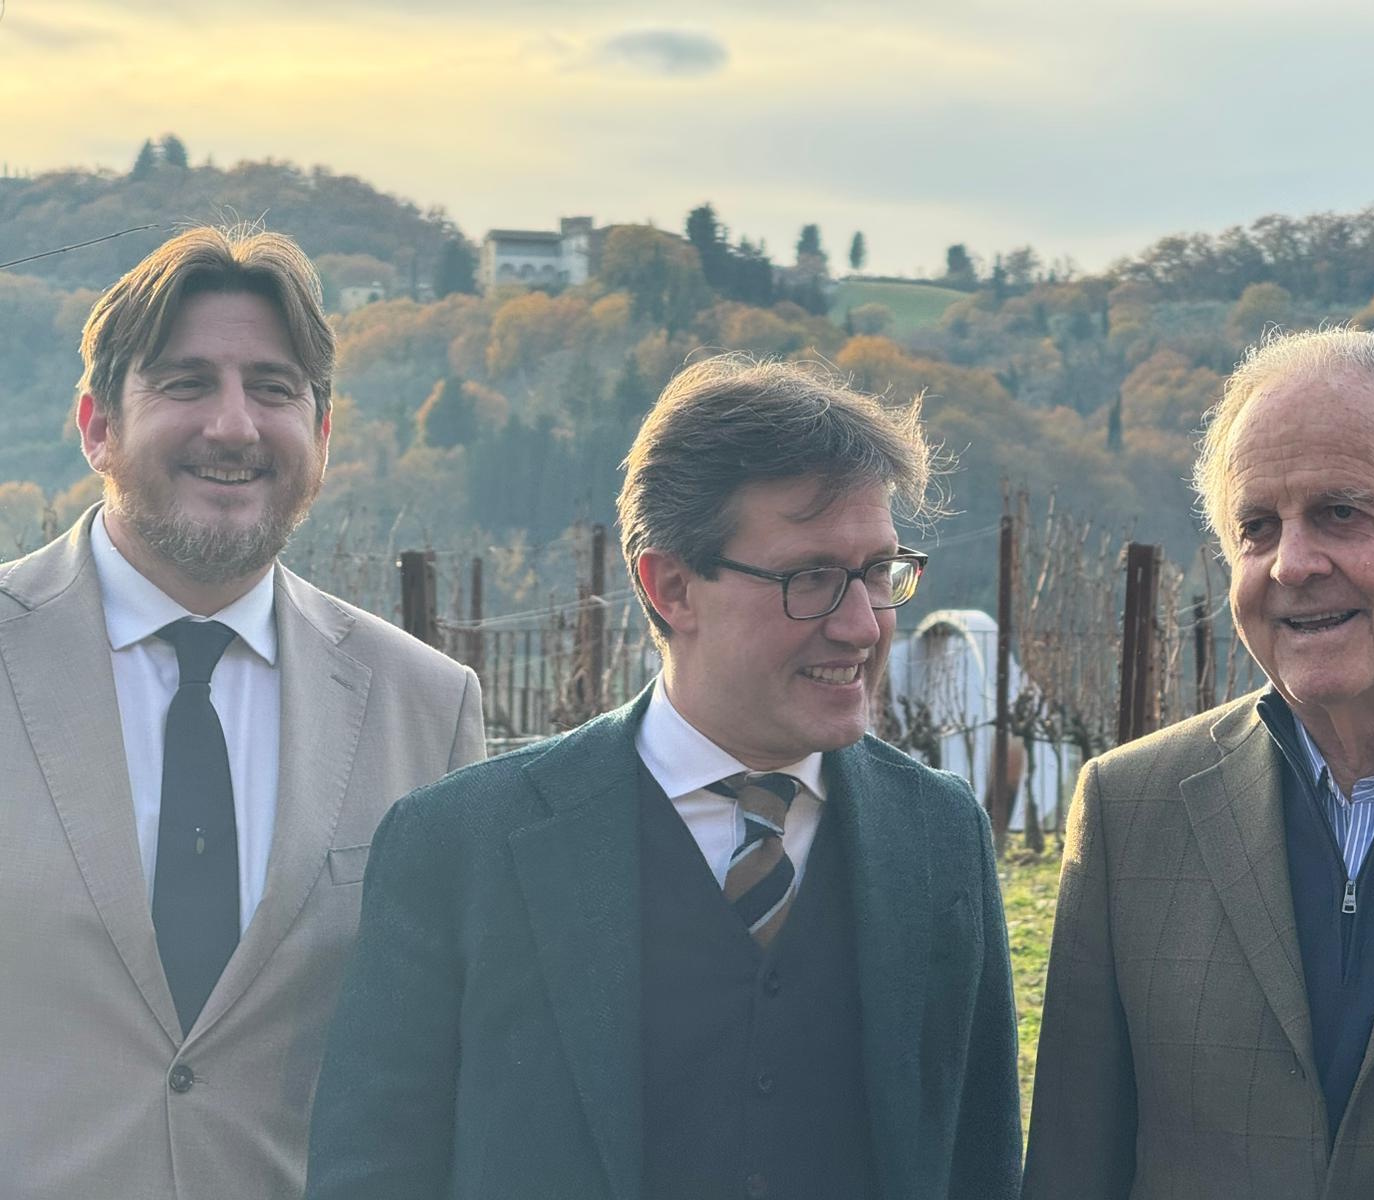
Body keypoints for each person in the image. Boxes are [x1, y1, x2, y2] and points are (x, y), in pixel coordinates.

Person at [307, 355, 1022, 1200]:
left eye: (879, 573)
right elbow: (374, 1173)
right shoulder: (460, 846)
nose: (863, 626)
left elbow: (980, 1164)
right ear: (672, 585)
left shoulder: (941, 835)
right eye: (814, 578)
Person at [1023, 327, 1374, 1200]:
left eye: (1341, 512)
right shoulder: (1130, 811)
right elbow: (1073, 1171)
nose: (1291, 565)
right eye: (1257, 528)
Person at [0, 227, 486, 1200]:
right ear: (97, 426)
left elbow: (455, 1072)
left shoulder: (427, 709)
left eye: (273, 389)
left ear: (323, 434)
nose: (234, 426)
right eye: (186, 383)